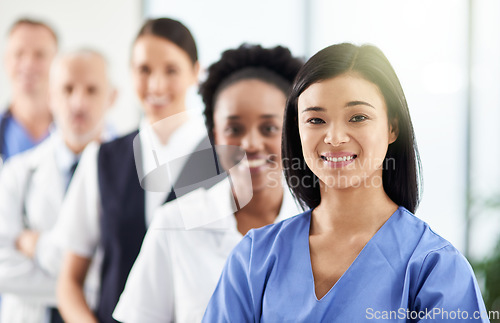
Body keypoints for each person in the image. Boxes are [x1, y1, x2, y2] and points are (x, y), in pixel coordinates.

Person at [202, 43, 489, 322]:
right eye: (315, 120)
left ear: (393, 127)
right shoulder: (254, 257)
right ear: (296, 130)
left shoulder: (435, 268)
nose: (335, 137)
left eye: (358, 117)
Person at [112, 44, 304, 323]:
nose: (250, 144)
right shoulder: (174, 224)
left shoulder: (321, 223)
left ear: (293, 131)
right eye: (234, 129)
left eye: (269, 128)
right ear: (215, 134)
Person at [56, 18, 211, 323]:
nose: (155, 84)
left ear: (195, 73)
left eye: (171, 70)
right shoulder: (101, 159)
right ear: (130, 73)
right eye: (144, 70)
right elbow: (69, 281)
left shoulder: (224, 162)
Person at [0, 49, 116, 323]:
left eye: (91, 90)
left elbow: (127, 266)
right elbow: (3, 267)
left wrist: (39, 247)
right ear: (50, 97)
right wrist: (81, 285)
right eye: (67, 89)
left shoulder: (127, 174)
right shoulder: (17, 172)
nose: (78, 102)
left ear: (111, 97)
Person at [0, 18, 58, 163]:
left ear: (57, 63)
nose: (28, 64)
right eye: (19, 54)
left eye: (40, 54)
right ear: (6, 60)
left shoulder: (91, 131)